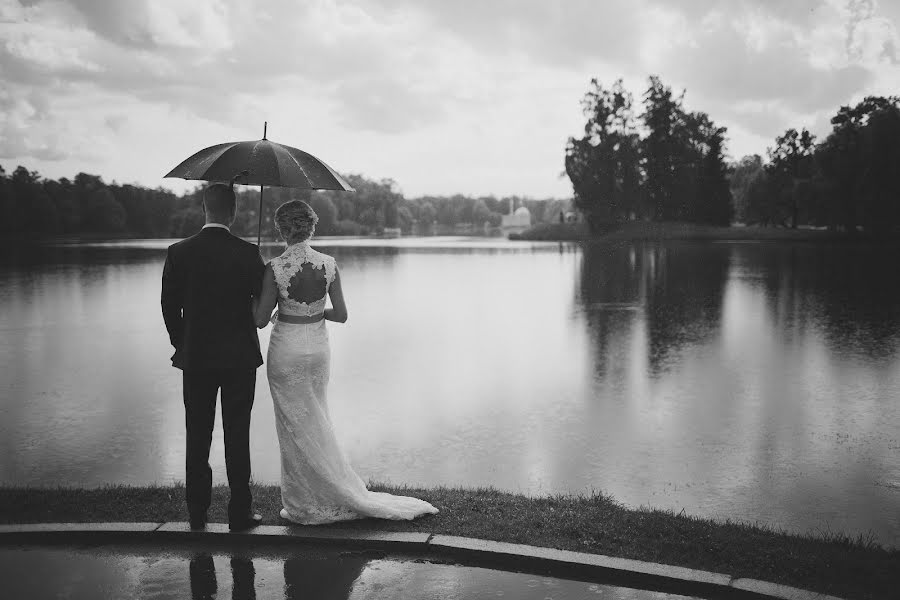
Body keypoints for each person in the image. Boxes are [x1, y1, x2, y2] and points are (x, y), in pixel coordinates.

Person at [252, 200, 438, 524]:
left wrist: (256, 296)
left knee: (293, 425)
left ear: (281, 229)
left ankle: (302, 503)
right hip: (318, 352)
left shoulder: (274, 268)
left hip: (285, 351)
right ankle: (326, 490)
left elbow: (258, 320)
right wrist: (314, 313)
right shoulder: (329, 264)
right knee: (317, 418)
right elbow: (341, 315)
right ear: (311, 227)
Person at [161, 182, 265, 531]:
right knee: (238, 433)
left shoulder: (179, 252)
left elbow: (168, 306)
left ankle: (197, 510)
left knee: (197, 432)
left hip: (197, 358)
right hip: (239, 358)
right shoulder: (249, 253)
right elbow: (259, 311)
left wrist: (182, 343)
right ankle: (239, 512)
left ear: (205, 209)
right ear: (233, 213)